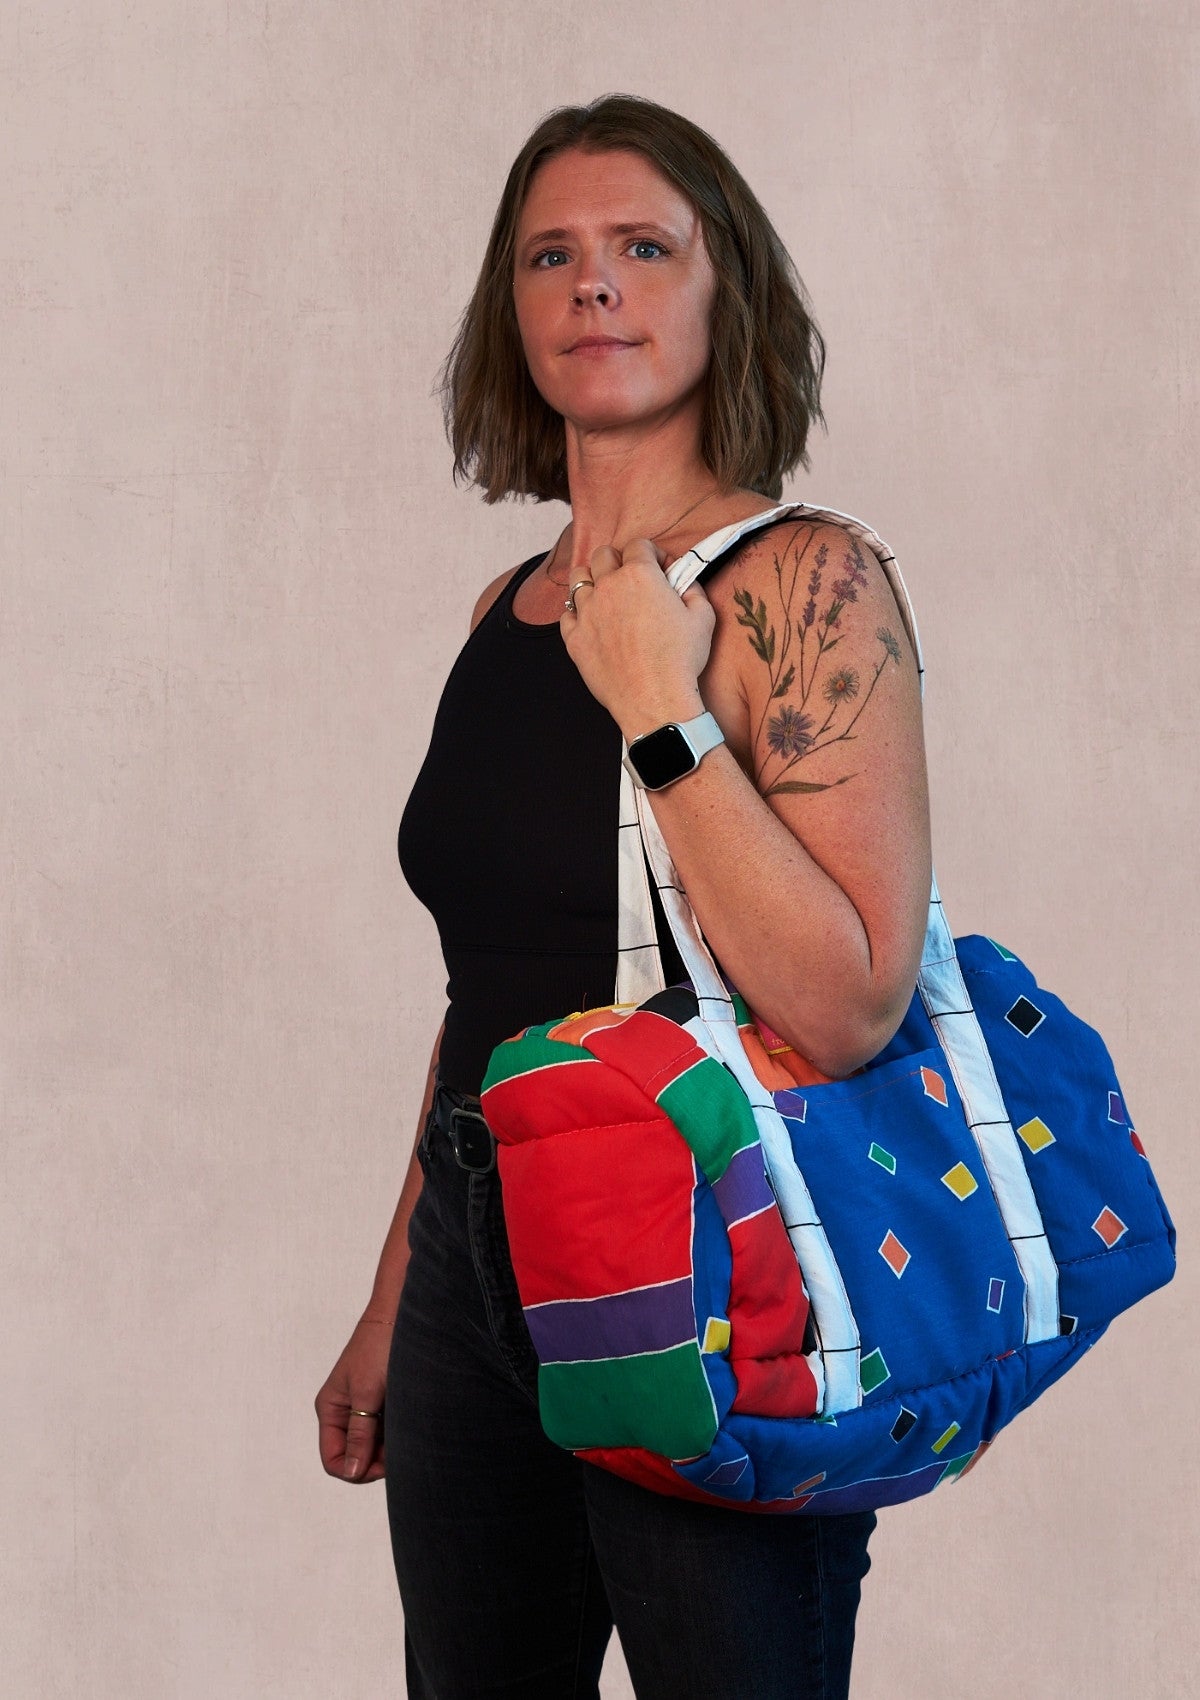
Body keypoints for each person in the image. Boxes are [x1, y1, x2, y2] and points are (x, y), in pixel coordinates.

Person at [315, 92, 931, 1699]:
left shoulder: (804, 581)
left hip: (714, 1260)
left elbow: (851, 1003)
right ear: (511, 312)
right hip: (477, 1257)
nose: (593, 282)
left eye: (644, 247)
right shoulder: (506, 609)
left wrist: (663, 706)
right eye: (552, 255)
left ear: (727, 294)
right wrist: (394, 1300)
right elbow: (490, 991)